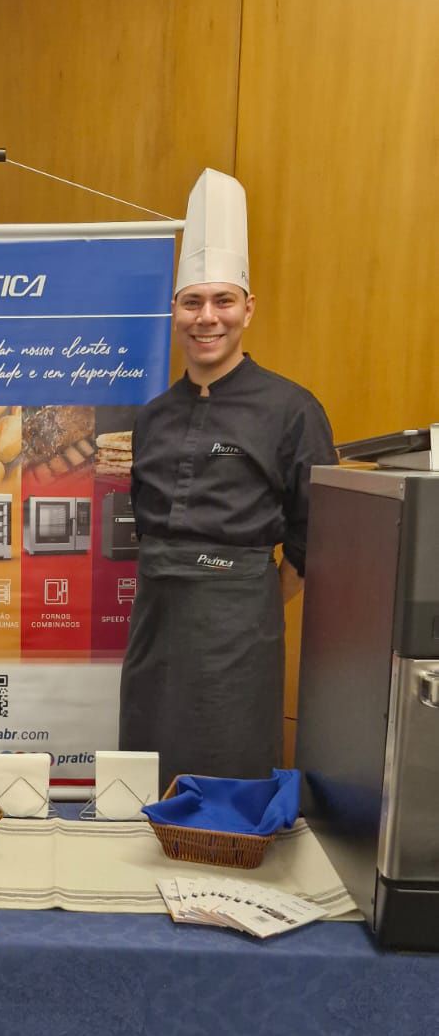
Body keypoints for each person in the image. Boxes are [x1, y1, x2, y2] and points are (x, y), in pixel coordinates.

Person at [119, 169, 337, 790]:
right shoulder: (154, 416)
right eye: (193, 302)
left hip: (241, 625)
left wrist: (249, 594)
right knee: (149, 767)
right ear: (175, 311)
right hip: (156, 619)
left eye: (222, 301)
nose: (206, 318)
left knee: (232, 770)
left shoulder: (292, 409)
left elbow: (316, 538)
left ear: (248, 308)